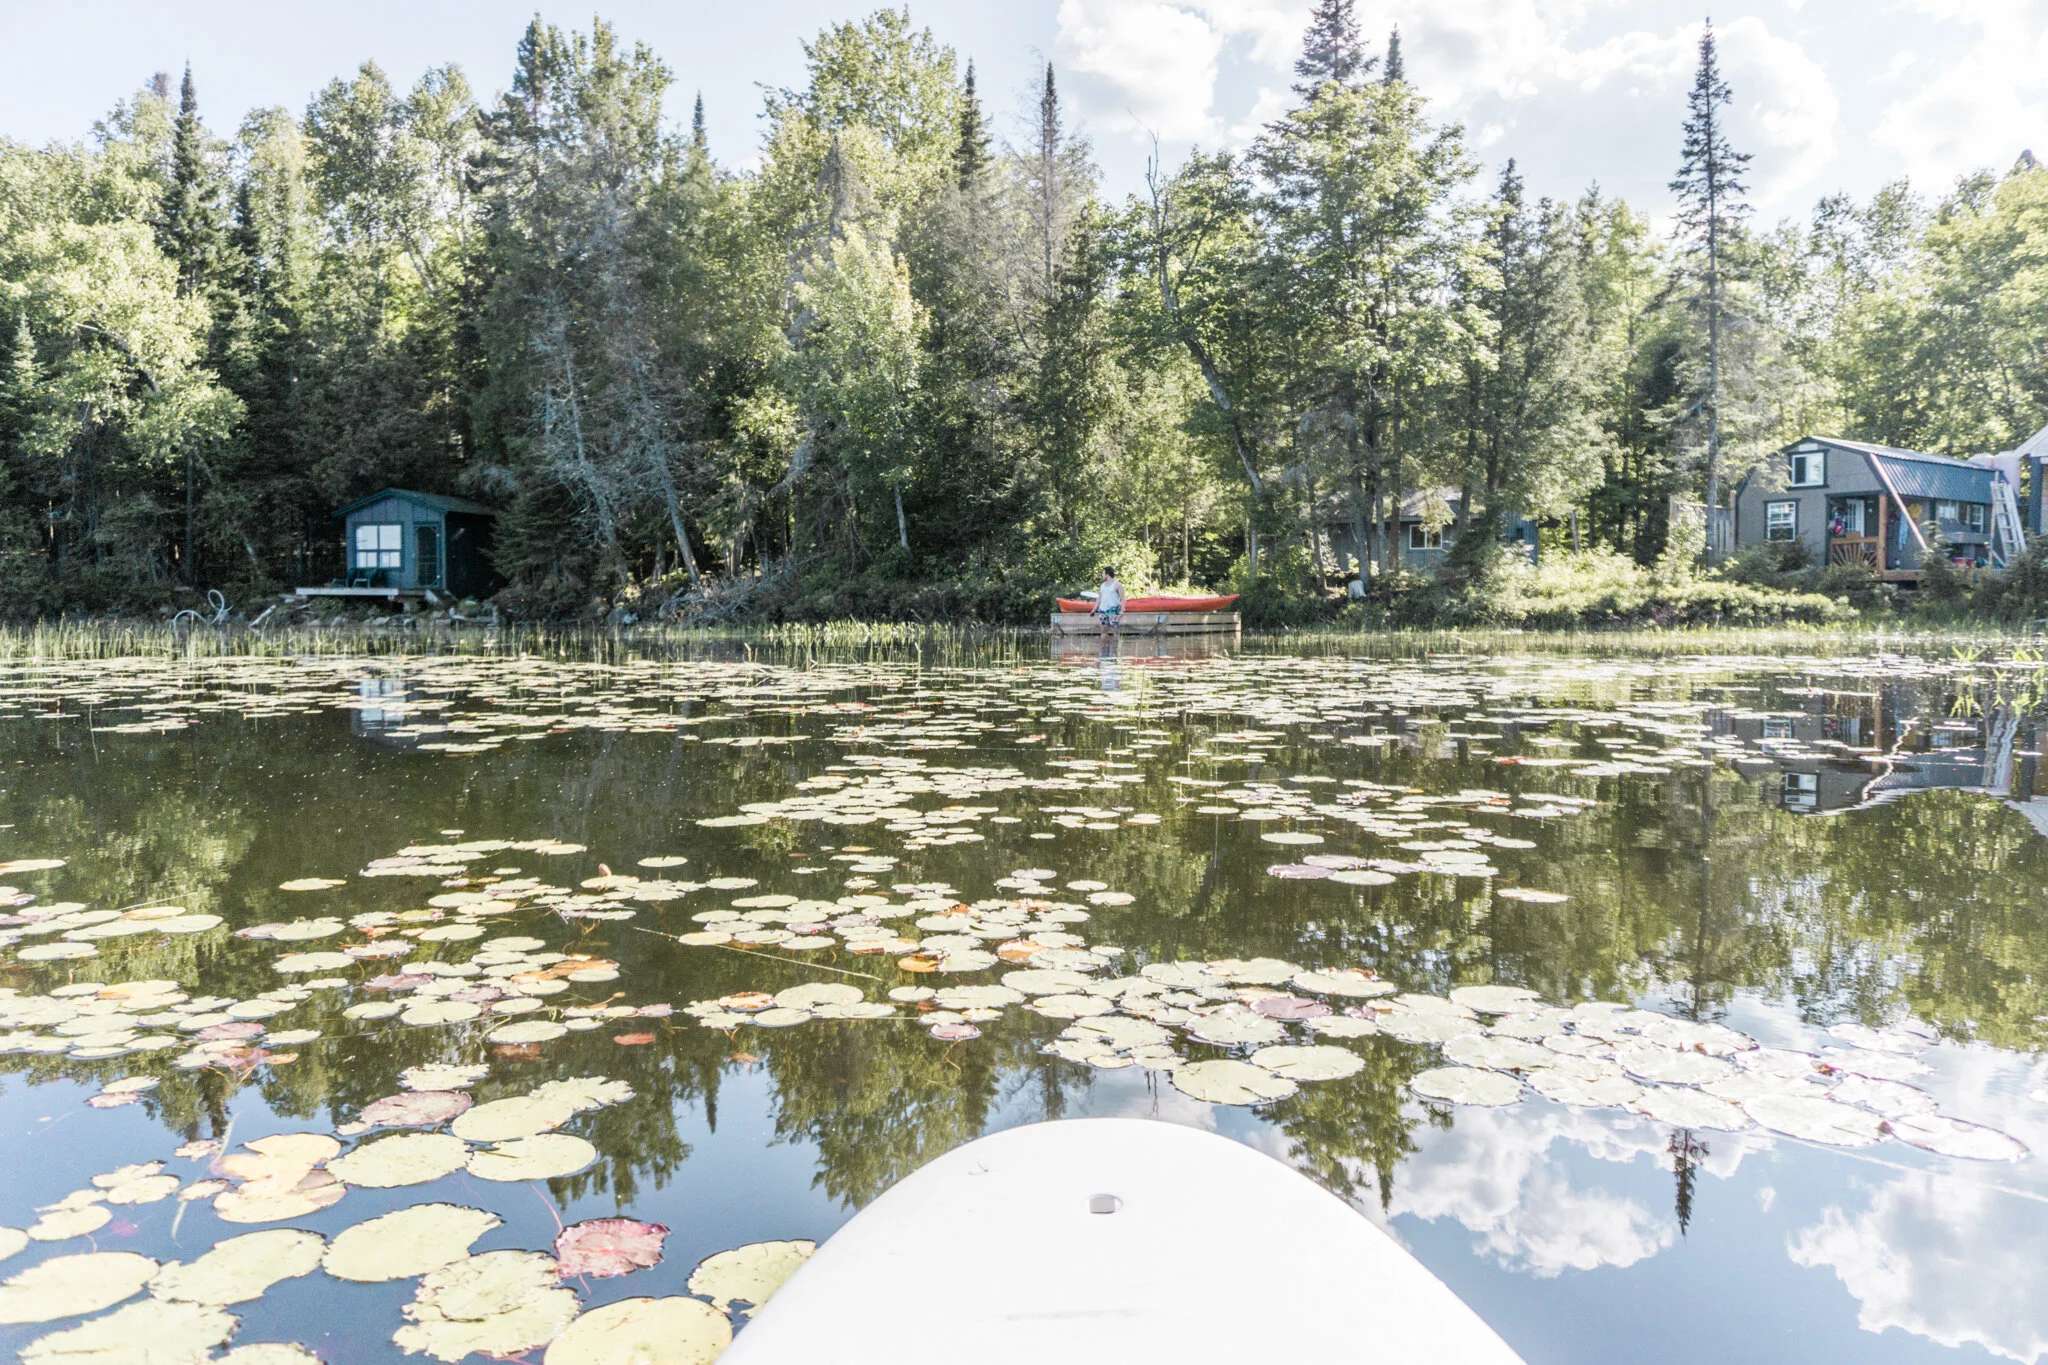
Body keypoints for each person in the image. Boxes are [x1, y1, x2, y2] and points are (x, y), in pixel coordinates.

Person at [1093, 567, 1124, 639]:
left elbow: (1123, 598)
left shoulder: (1117, 584)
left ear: (1107, 574)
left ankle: (1116, 649)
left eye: (1103, 573)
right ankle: (1104, 649)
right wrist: (1094, 610)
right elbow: (1099, 598)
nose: (1102, 575)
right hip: (1103, 611)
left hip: (1113, 611)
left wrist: (1122, 610)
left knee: (1116, 632)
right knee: (1103, 632)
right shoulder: (1102, 585)